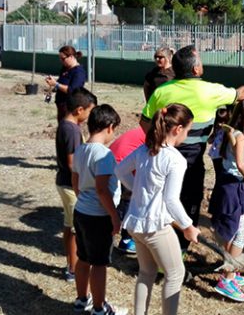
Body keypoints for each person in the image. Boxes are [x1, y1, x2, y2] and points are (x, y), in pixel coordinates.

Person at [139, 45, 244, 253]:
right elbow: (242, 93)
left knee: (164, 199)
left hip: (164, 153)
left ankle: (162, 249)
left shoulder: (162, 91)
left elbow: (144, 122)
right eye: (200, 61)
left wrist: (159, 142)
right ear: (196, 70)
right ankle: (176, 253)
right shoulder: (209, 90)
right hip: (191, 158)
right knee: (188, 202)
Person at [115, 104, 200, 315]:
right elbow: (171, 200)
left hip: (135, 223)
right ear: (177, 129)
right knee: (175, 273)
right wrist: (188, 226)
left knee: (147, 272)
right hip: (155, 227)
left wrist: (138, 189)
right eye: (188, 130)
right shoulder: (175, 159)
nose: (187, 135)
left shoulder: (145, 149)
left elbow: (120, 170)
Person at [71, 105, 126, 315]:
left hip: (82, 212)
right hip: (99, 216)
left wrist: (83, 199)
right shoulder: (104, 155)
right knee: (100, 263)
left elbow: (75, 181)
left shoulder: (81, 149)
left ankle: (81, 299)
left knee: (83, 258)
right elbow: (102, 190)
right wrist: (114, 216)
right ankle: (99, 308)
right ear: (110, 127)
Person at [208, 100, 244, 302]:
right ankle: (227, 279)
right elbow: (240, 164)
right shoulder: (238, 136)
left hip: (232, 185)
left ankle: (230, 273)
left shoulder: (231, 132)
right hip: (232, 187)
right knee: (240, 233)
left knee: (237, 231)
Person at [55, 87, 98, 282]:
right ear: (80, 110)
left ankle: (71, 264)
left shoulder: (66, 125)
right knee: (74, 229)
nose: (90, 116)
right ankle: (73, 268)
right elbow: (73, 163)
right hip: (70, 185)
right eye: (90, 111)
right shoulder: (72, 131)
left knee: (68, 225)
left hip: (63, 182)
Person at [110, 126, 147, 255]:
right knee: (129, 199)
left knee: (120, 199)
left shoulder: (144, 129)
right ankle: (126, 240)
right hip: (122, 162)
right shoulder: (154, 135)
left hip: (112, 158)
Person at [46, 45, 87, 122]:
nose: (61, 61)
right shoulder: (65, 68)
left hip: (70, 108)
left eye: (63, 59)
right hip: (61, 106)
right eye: (60, 59)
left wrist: (56, 84)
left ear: (71, 57)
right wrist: (53, 82)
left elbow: (72, 90)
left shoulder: (79, 72)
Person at [207, 107, 232, 176]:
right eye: (218, 121)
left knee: (221, 174)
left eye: (223, 121)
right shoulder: (217, 130)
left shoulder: (227, 132)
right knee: (217, 174)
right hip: (215, 155)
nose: (220, 124)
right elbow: (209, 141)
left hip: (221, 156)